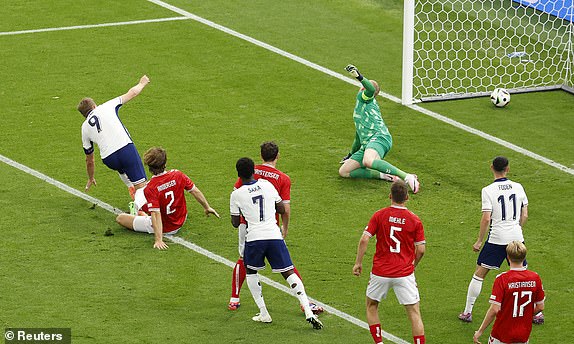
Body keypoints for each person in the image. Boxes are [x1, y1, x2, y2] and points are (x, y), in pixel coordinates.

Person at [227, 141, 323, 315]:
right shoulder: (282, 178)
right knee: (287, 267)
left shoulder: (250, 170)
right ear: (277, 155)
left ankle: (235, 298)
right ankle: (305, 303)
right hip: (269, 226)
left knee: (244, 259)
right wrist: (285, 228)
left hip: (245, 224)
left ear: (261, 155)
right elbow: (284, 208)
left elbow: (236, 192)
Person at [459, 157, 543, 324]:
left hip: (497, 238)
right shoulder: (518, 187)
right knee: (524, 274)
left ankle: (468, 312)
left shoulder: (488, 190)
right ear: (508, 169)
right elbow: (524, 214)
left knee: (480, 274)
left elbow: (486, 218)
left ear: (492, 168)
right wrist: (517, 229)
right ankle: (537, 312)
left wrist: (479, 241)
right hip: (516, 237)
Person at [353, 180, 426, 344]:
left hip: (380, 272)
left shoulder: (380, 215)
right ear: (407, 197)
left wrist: (358, 262)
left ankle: (379, 342)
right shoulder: (415, 220)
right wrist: (412, 266)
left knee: (372, 306)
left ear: (390, 196)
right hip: (404, 273)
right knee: (414, 313)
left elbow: (365, 239)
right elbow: (421, 250)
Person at [116, 147, 219, 249]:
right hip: (182, 218)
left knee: (121, 218)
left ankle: (139, 212)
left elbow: (156, 214)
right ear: (165, 163)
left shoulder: (151, 187)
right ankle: (141, 212)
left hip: (167, 227)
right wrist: (207, 207)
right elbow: (194, 191)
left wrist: (158, 239)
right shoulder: (178, 174)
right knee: (150, 201)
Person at [339, 64, 420, 194]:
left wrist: (358, 76)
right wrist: (350, 155)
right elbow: (358, 138)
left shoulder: (364, 98)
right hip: (368, 143)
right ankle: (384, 176)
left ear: (363, 88)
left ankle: (407, 177)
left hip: (380, 137)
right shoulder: (361, 108)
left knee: (368, 160)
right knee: (344, 171)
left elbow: (370, 89)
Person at [78, 75, 150, 198]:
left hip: (108, 158)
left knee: (123, 169)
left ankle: (130, 187)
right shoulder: (106, 106)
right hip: (125, 149)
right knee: (142, 186)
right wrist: (142, 83)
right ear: (94, 106)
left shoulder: (84, 128)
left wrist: (91, 178)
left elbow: (89, 160)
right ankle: (141, 210)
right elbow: (132, 93)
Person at [473, 241, 545, 344]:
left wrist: (480, 331)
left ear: (508, 257)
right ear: (524, 257)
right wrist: (524, 315)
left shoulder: (502, 279)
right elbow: (540, 307)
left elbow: (494, 309)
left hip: (501, 334)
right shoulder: (535, 278)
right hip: (523, 334)